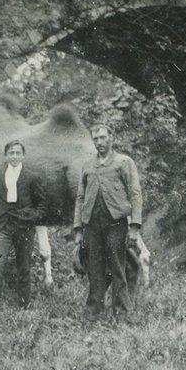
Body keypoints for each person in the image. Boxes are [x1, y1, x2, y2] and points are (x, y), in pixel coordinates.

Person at [72, 123, 143, 318]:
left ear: (112, 138)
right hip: (92, 226)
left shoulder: (123, 162)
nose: (99, 142)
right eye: (95, 139)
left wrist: (134, 227)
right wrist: (78, 230)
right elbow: (80, 197)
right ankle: (93, 313)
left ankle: (122, 313)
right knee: (94, 270)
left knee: (118, 268)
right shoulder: (87, 165)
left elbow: (135, 193)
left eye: (103, 138)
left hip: (115, 224)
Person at [0, 139, 45, 307]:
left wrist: (31, 216)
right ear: (6, 155)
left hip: (24, 228)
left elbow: (42, 204)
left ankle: (23, 304)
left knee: (23, 266)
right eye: (11, 153)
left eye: (18, 153)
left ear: (23, 155)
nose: (15, 156)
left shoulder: (32, 176)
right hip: (3, 226)